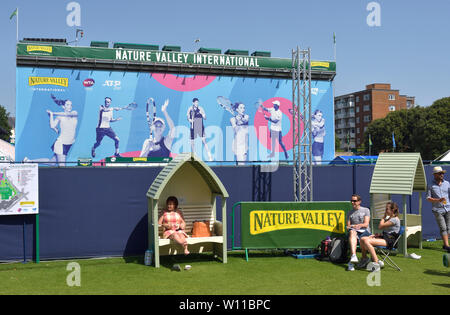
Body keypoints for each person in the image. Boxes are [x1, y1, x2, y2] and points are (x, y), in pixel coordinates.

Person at [24, 95, 78, 166]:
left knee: (52, 162)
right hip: (61, 143)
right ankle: (29, 161)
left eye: (71, 105)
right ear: (63, 107)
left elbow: (66, 114)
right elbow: (52, 126)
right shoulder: (59, 117)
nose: (70, 106)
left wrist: (53, 113)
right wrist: (51, 115)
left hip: (69, 144)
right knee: (62, 167)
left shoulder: (74, 113)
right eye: (67, 105)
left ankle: (29, 161)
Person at [358, 201, 401, 271]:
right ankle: (364, 258)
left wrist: (383, 217)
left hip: (390, 241)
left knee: (367, 241)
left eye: (387, 209)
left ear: (392, 210)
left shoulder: (394, 219)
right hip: (385, 238)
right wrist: (376, 235)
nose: (385, 211)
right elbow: (387, 232)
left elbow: (380, 226)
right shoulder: (390, 218)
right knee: (362, 238)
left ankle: (376, 262)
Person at [426, 166, 450, 252]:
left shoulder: (447, 183)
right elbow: (428, 198)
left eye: (442, 173)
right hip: (437, 210)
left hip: (448, 208)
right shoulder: (430, 185)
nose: (442, 175)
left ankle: (445, 244)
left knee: (448, 228)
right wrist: (438, 200)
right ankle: (447, 246)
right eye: (440, 173)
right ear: (435, 175)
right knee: (443, 228)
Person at [347, 194, 371, 264]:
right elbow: (348, 227)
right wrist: (353, 227)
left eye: (354, 201)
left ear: (359, 202)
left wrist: (359, 225)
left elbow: (366, 224)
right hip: (354, 233)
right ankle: (354, 256)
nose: (352, 202)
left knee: (354, 235)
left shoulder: (366, 210)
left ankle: (354, 262)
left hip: (365, 232)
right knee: (352, 232)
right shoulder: (349, 213)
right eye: (351, 201)